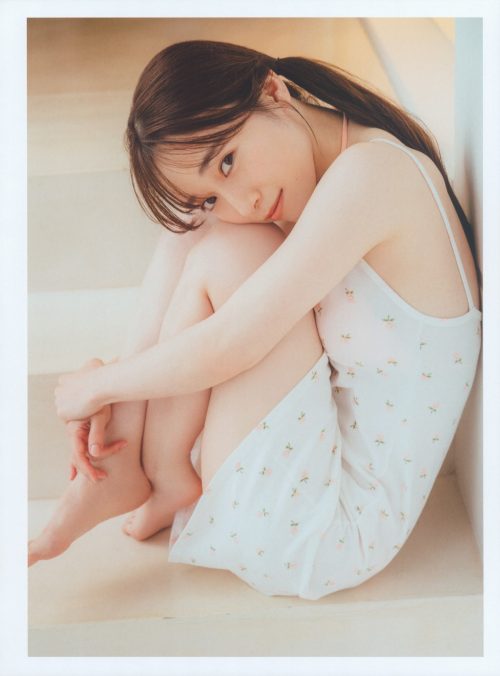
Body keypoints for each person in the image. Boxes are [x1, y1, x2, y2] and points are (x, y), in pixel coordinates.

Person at [28, 40, 481, 600]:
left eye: (227, 161)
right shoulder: (334, 175)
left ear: (273, 89)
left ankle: (161, 470)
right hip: (309, 460)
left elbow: (233, 342)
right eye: (214, 193)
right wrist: (110, 384)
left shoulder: (373, 174)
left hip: (323, 529)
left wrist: (99, 385)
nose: (242, 201)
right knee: (193, 228)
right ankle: (129, 464)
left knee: (226, 249)